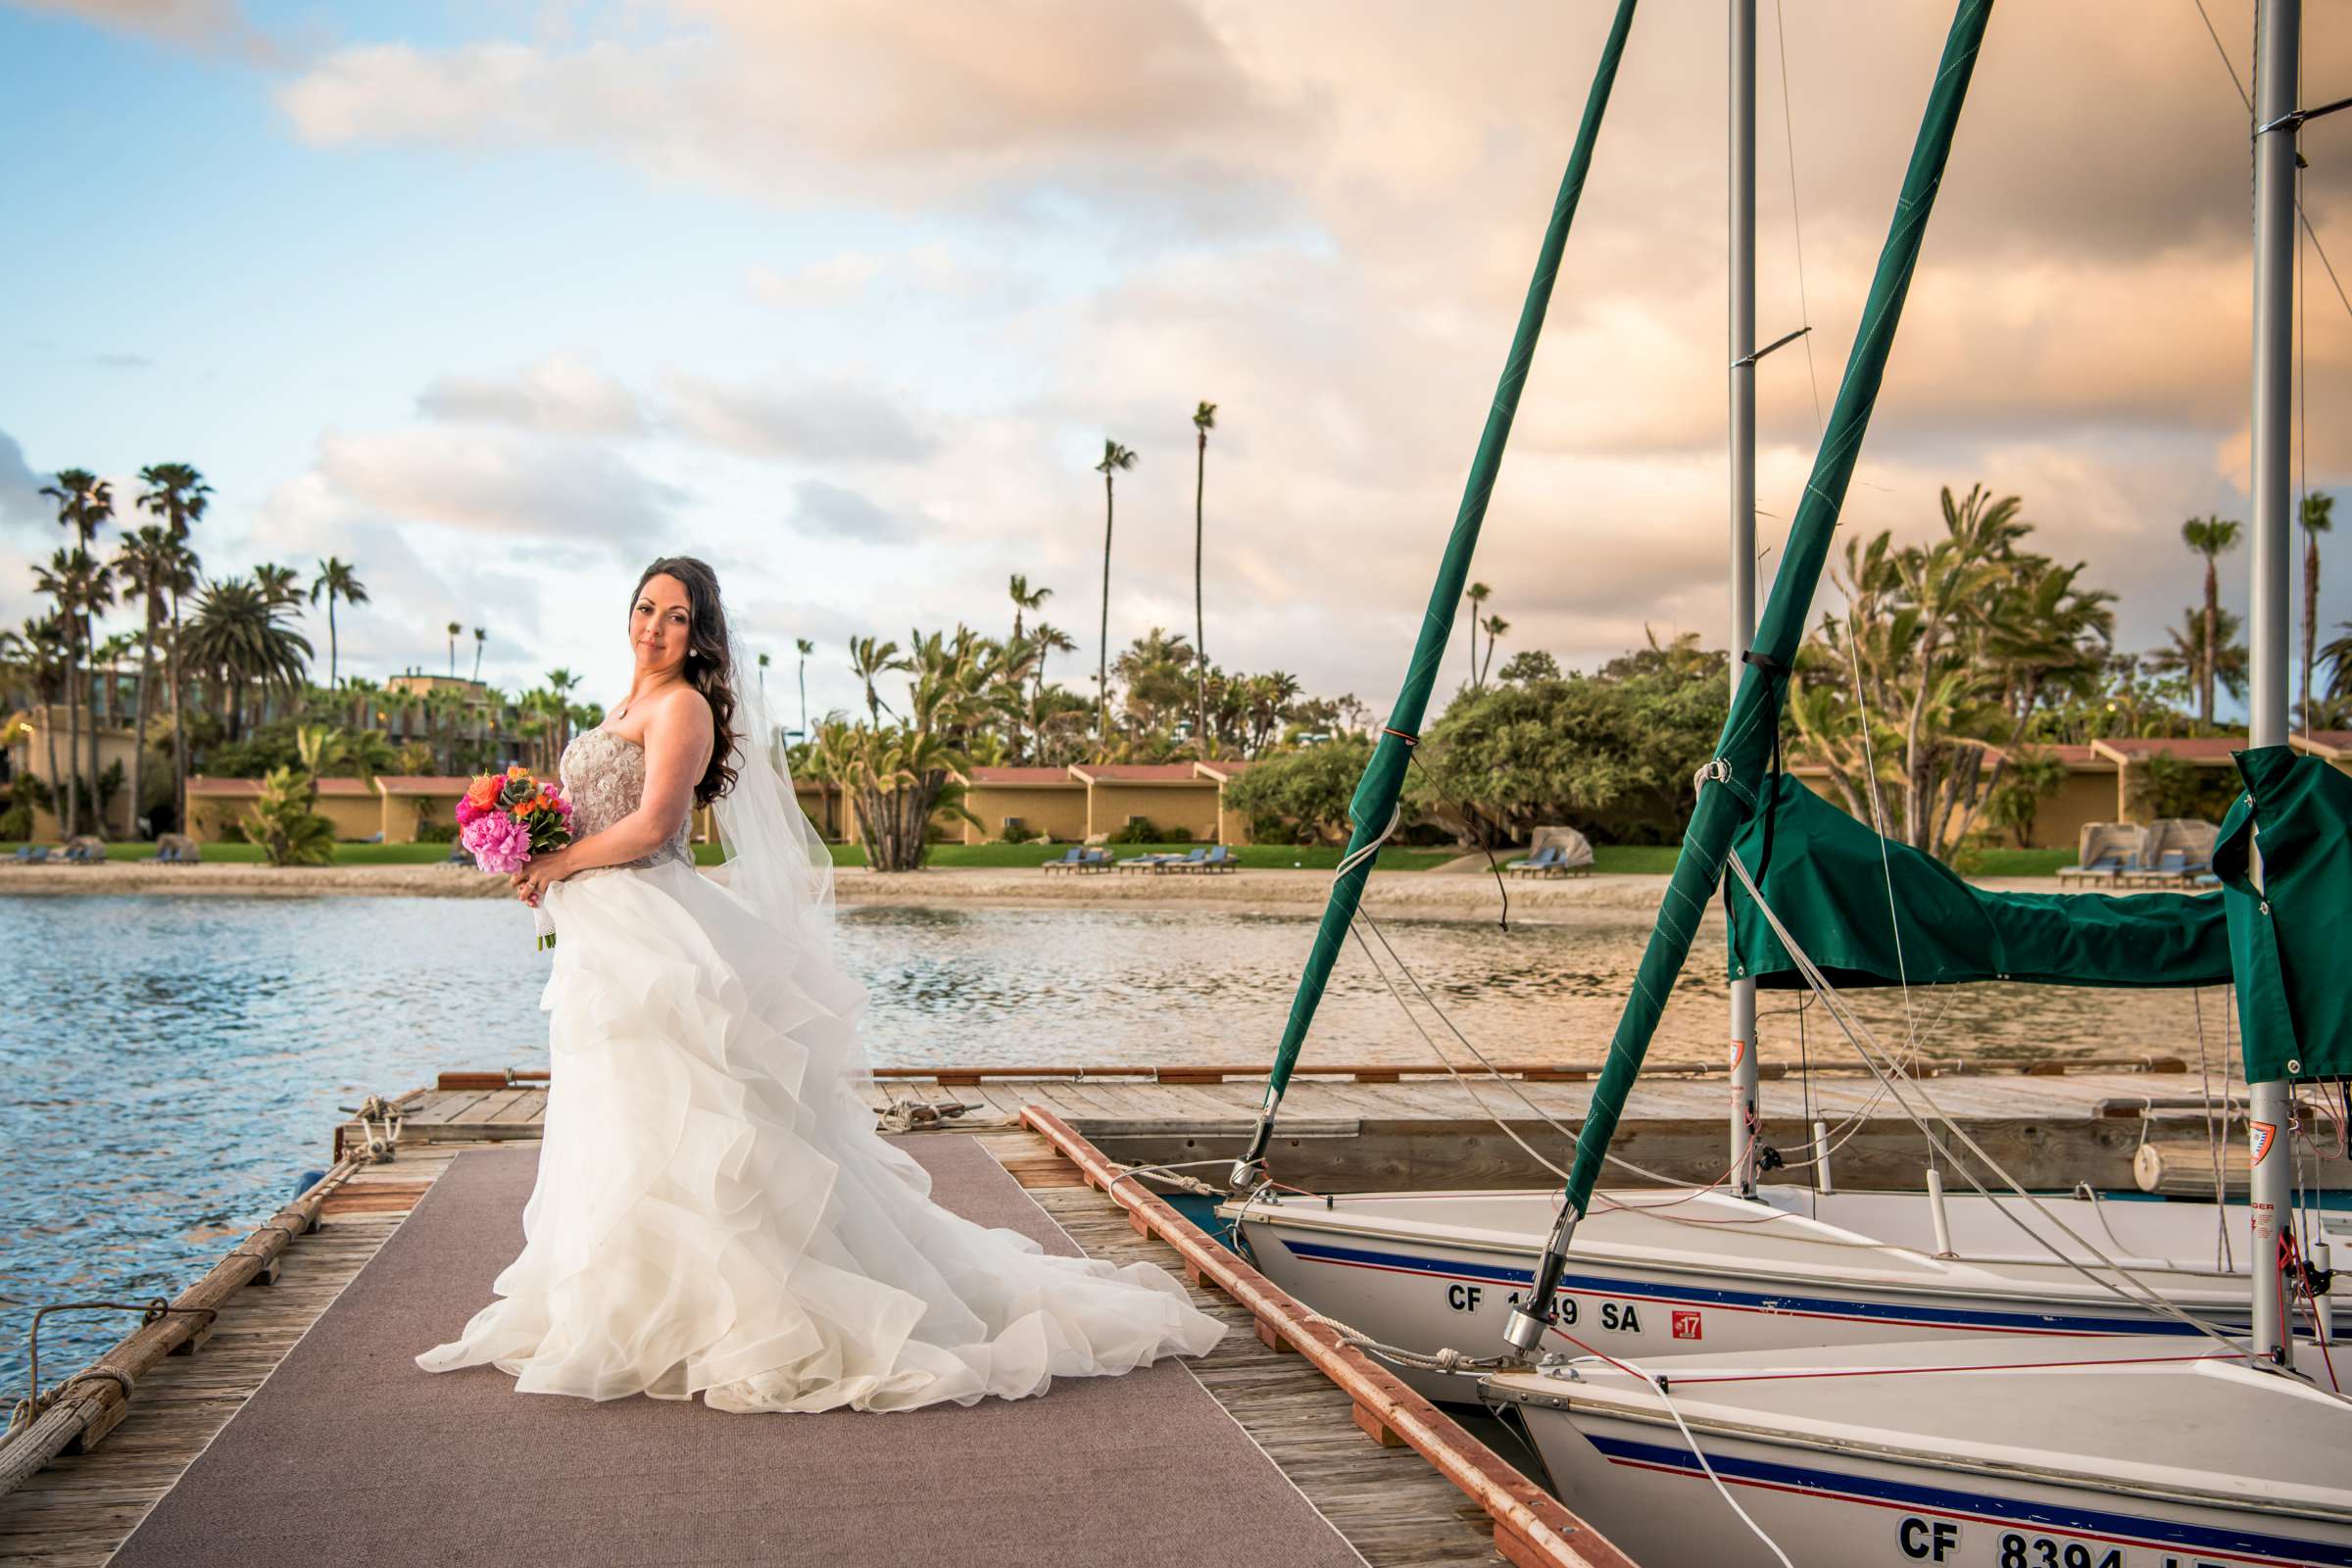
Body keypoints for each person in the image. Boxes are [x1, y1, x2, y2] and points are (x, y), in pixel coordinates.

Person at [416, 556, 1223, 1410]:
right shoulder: (619, 707)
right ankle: (632, 1299)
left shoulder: (683, 706)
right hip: (602, 933)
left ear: (700, 635)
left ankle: (745, 1310)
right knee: (622, 1116)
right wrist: (536, 857)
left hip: (656, 930)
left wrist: (561, 859)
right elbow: (595, 818)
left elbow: (655, 824)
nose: (653, 627)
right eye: (645, 608)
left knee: (695, 1117)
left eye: (676, 616)